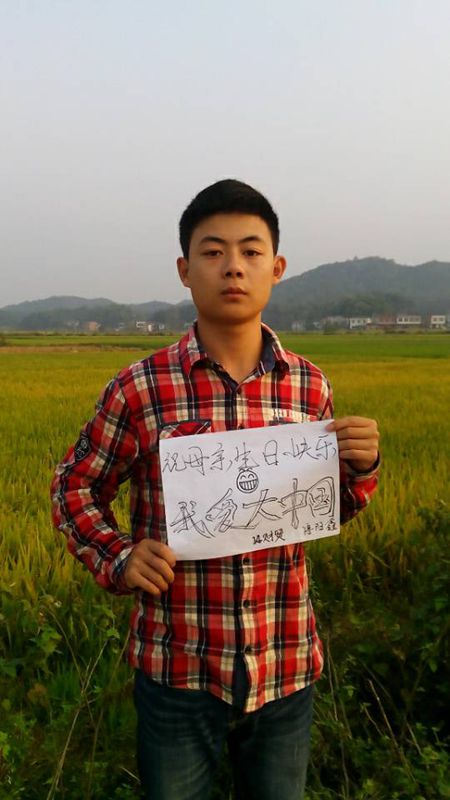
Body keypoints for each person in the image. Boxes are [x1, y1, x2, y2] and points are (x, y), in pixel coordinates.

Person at [51, 179, 379, 800]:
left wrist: (360, 470)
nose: (233, 266)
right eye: (212, 251)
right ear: (185, 270)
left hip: (284, 663)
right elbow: (74, 488)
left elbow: (322, 509)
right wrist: (120, 556)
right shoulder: (141, 387)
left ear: (276, 268)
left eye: (251, 251)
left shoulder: (310, 387)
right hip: (177, 669)